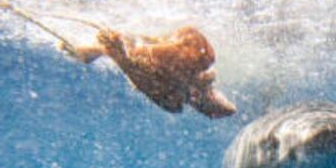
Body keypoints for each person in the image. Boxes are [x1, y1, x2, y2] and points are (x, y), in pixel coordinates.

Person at [73, 26, 236, 118]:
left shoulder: (174, 97)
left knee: (169, 87)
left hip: (163, 68)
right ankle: (112, 51)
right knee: (192, 63)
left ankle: (113, 51)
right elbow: (227, 109)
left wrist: (119, 55)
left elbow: (226, 109)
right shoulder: (199, 64)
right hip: (167, 65)